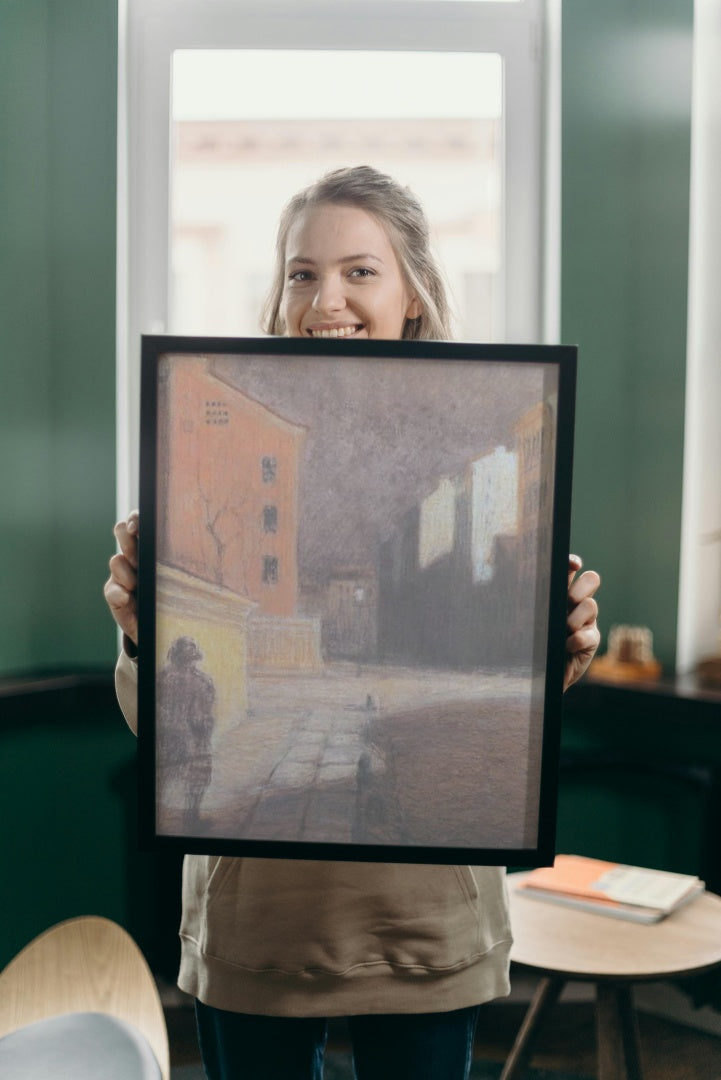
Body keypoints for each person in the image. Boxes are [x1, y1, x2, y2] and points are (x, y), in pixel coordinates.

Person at [105, 166, 601, 1080]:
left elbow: (515, 723)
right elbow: (166, 733)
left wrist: (556, 649)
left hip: (424, 925)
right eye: (301, 272)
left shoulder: (488, 415)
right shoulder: (194, 421)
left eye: (358, 271)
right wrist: (141, 633)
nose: (324, 297)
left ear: (412, 291)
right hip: (256, 927)